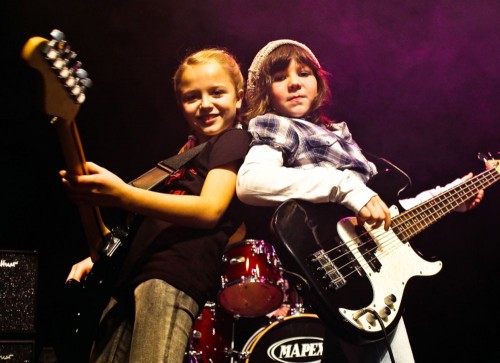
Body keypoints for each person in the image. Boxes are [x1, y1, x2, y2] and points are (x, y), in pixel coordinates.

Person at [235, 39, 485, 363]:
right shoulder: (280, 128)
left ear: (319, 82)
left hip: (370, 275)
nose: (295, 82)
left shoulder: (336, 136)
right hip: (335, 269)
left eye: (305, 73)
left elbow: (388, 215)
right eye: (281, 77)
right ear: (264, 91)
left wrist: (452, 196)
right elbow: (250, 183)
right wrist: (344, 187)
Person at [60, 47, 251, 362]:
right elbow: (150, 219)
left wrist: (122, 194)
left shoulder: (232, 140)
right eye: (192, 97)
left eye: (217, 92)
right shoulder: (185, 152)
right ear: (180, 105)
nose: (206, 104)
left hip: (173, 273)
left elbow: (209, 210)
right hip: (130, 274)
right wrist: (102, 256)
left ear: (239, 96)